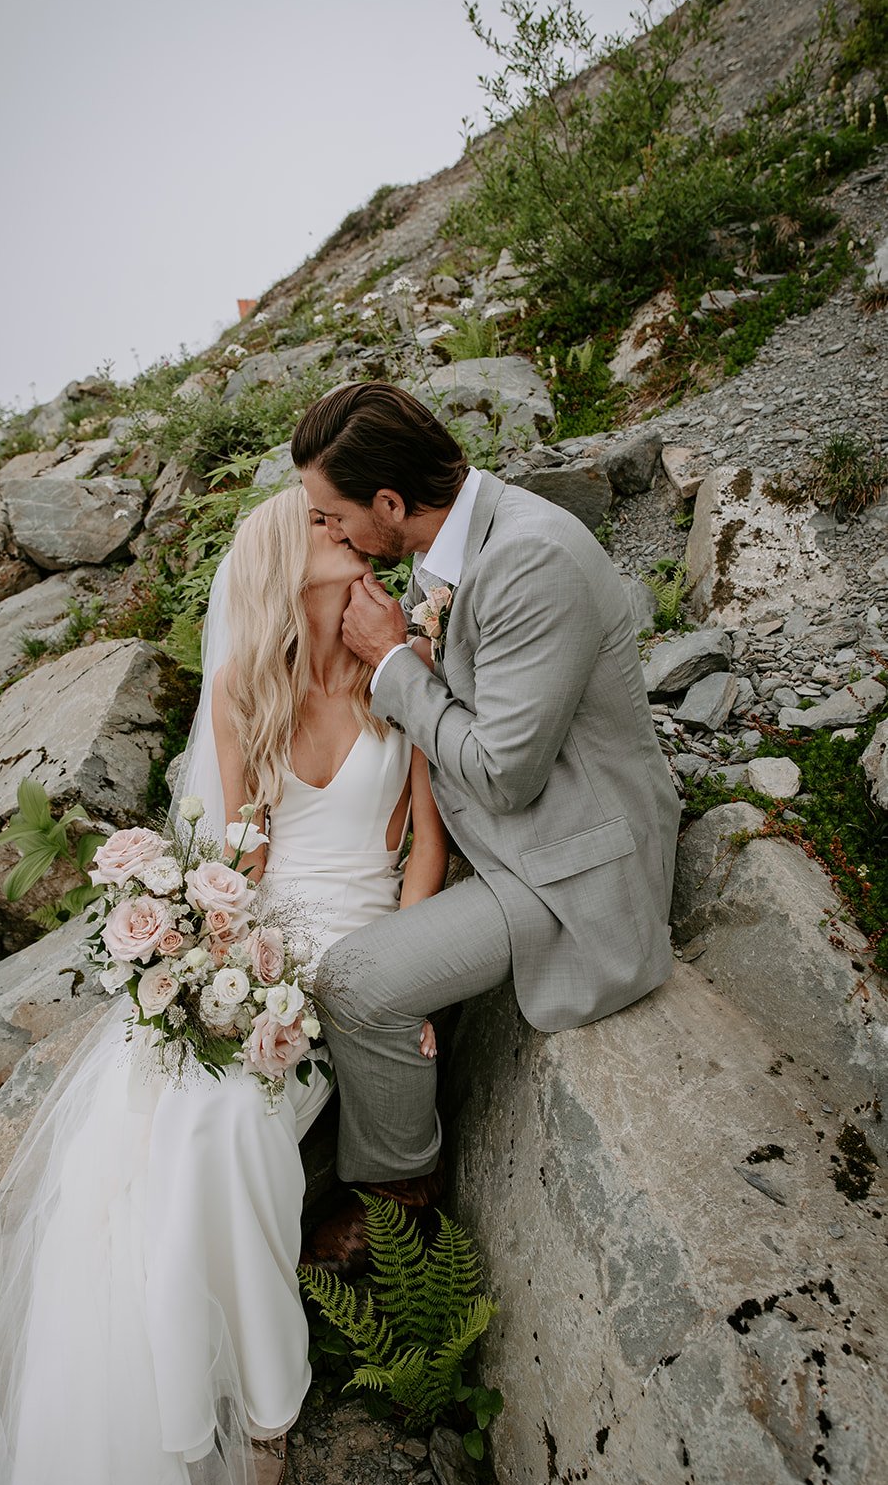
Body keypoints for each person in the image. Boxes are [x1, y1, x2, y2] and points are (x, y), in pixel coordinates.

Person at [0, 485, 448, 1485]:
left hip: (360, 959)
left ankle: (265, 1405)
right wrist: (216, 956)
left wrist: (409, 965)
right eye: (317, 525)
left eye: (343, 521)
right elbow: (239, 860)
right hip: (257, 961)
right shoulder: (242, 693)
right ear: (278, 566)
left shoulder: (403, 671)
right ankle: (206, 1392)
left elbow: (426, 845)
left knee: (223, 1133)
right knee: (171, 1134)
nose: (342, 531)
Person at [291, 381, 683, 1271]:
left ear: (390, 504)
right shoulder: (457, 541)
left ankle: (401, 1200)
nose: (336, 535)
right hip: (506, 841)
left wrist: (395, 666)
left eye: (337, 515)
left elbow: (506, 775)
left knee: (354, 980)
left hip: (567, 860)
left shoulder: (532, 557)